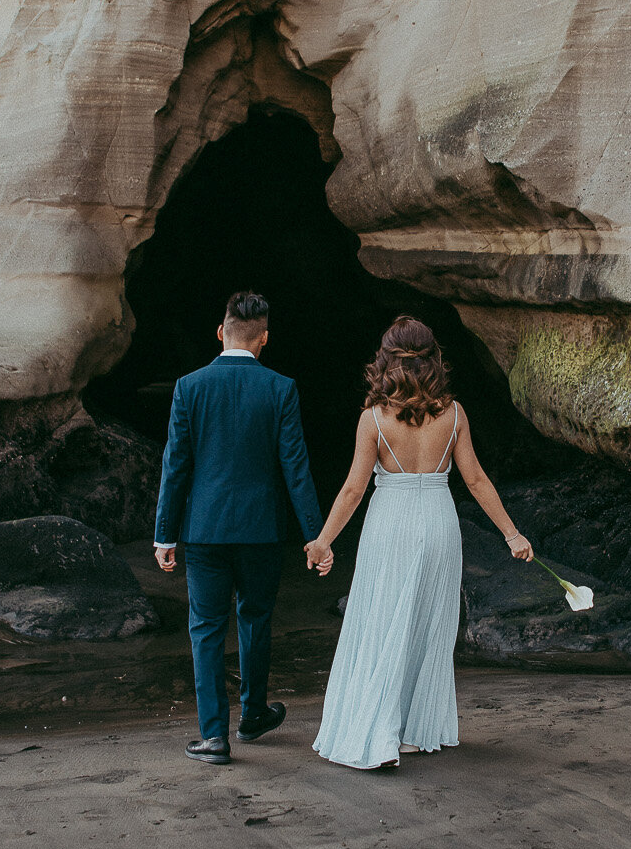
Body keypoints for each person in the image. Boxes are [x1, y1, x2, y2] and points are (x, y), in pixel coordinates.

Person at [305, 316, 534, 770]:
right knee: (427, 625)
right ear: (433, 360)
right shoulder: (453, 413)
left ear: (386, 360)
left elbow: (353, 490)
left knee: (382, 622)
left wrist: (323, 541)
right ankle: (411, 730)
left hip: (390, 524)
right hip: (439, 523)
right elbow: (475, 479)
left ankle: (379, 731)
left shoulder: (373, 418)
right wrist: (512, 533)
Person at [153, 291, 324, 765]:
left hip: (204, 530)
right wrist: (315, 535)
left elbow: (176, 466)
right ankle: (251, 716)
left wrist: (164, 533)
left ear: (219, 331)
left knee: (206, 629)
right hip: (260, 531)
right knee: (255, 619)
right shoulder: (281, 388)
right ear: (264, 338)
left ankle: (213, 737)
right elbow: (296, 468)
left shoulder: (189, 386)